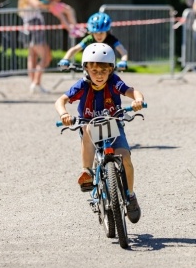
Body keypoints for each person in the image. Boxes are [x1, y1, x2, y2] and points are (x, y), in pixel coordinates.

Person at [54, 43, 144, 223]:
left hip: (113, 124)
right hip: (89, 126)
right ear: (86, 68)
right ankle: (86, 171)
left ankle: (130, 195)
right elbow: (61, 100)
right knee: (88, 129)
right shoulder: (82, 85)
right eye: (94, 70)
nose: (100, 75)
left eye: (104, 70)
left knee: (125, 157)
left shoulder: (114, 82)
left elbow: (131, 91)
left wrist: (138, 100)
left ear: (111, 69)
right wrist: (64, 114)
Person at [18, 0, 52, 94]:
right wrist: (49, 5)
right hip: (34, 25)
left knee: (32, 56)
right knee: (45, 57)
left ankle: (34, 83)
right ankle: (36, 83)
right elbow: (36, 4)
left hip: (28, 26)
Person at [58, 12, 128, 71]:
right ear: (91, 32)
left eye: (101, 33)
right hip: (91, 70)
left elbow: (123, 51)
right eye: (95, 33)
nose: (99, 36)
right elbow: (75, 49)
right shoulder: (90, 39)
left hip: (108, 70)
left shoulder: (111, 39)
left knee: (117, 85)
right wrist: (65, 59)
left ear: (107, 32)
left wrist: (123, 61)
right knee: (80, 86)